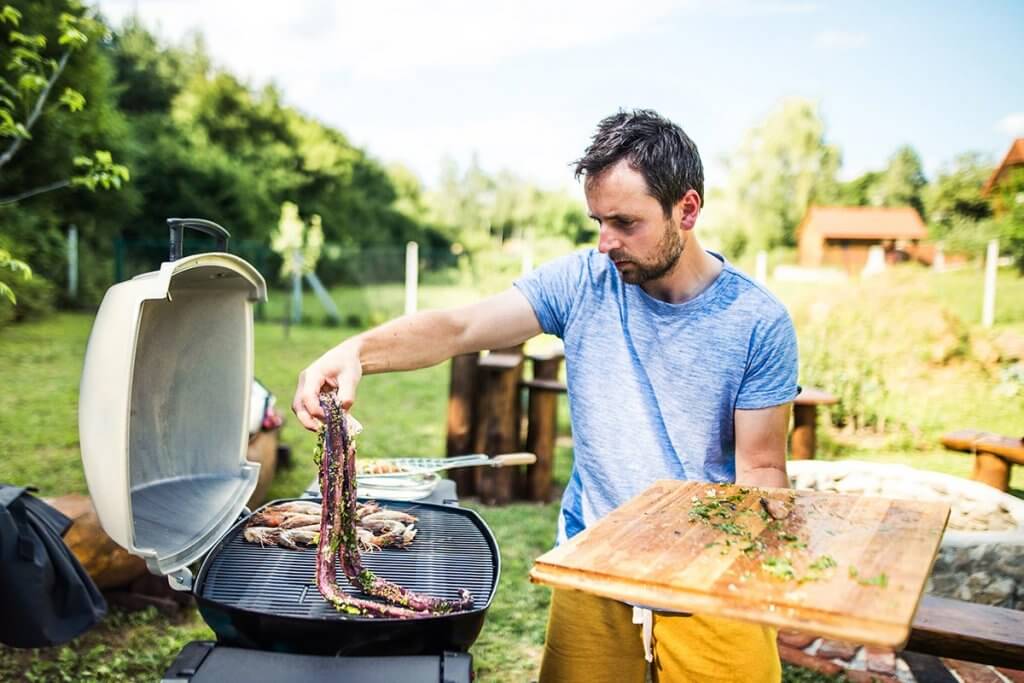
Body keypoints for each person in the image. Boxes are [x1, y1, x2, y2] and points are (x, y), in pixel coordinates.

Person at [293, 109, 797, 683]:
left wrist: (775, 572)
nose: (606, 243)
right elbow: (460, 328)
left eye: (626, 222)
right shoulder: (583, 280)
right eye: (597, 221)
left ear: (687, 208)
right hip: (594, 563)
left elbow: (760, 468)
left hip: (713, 580)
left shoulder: (758, 321)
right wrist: (358, 350)